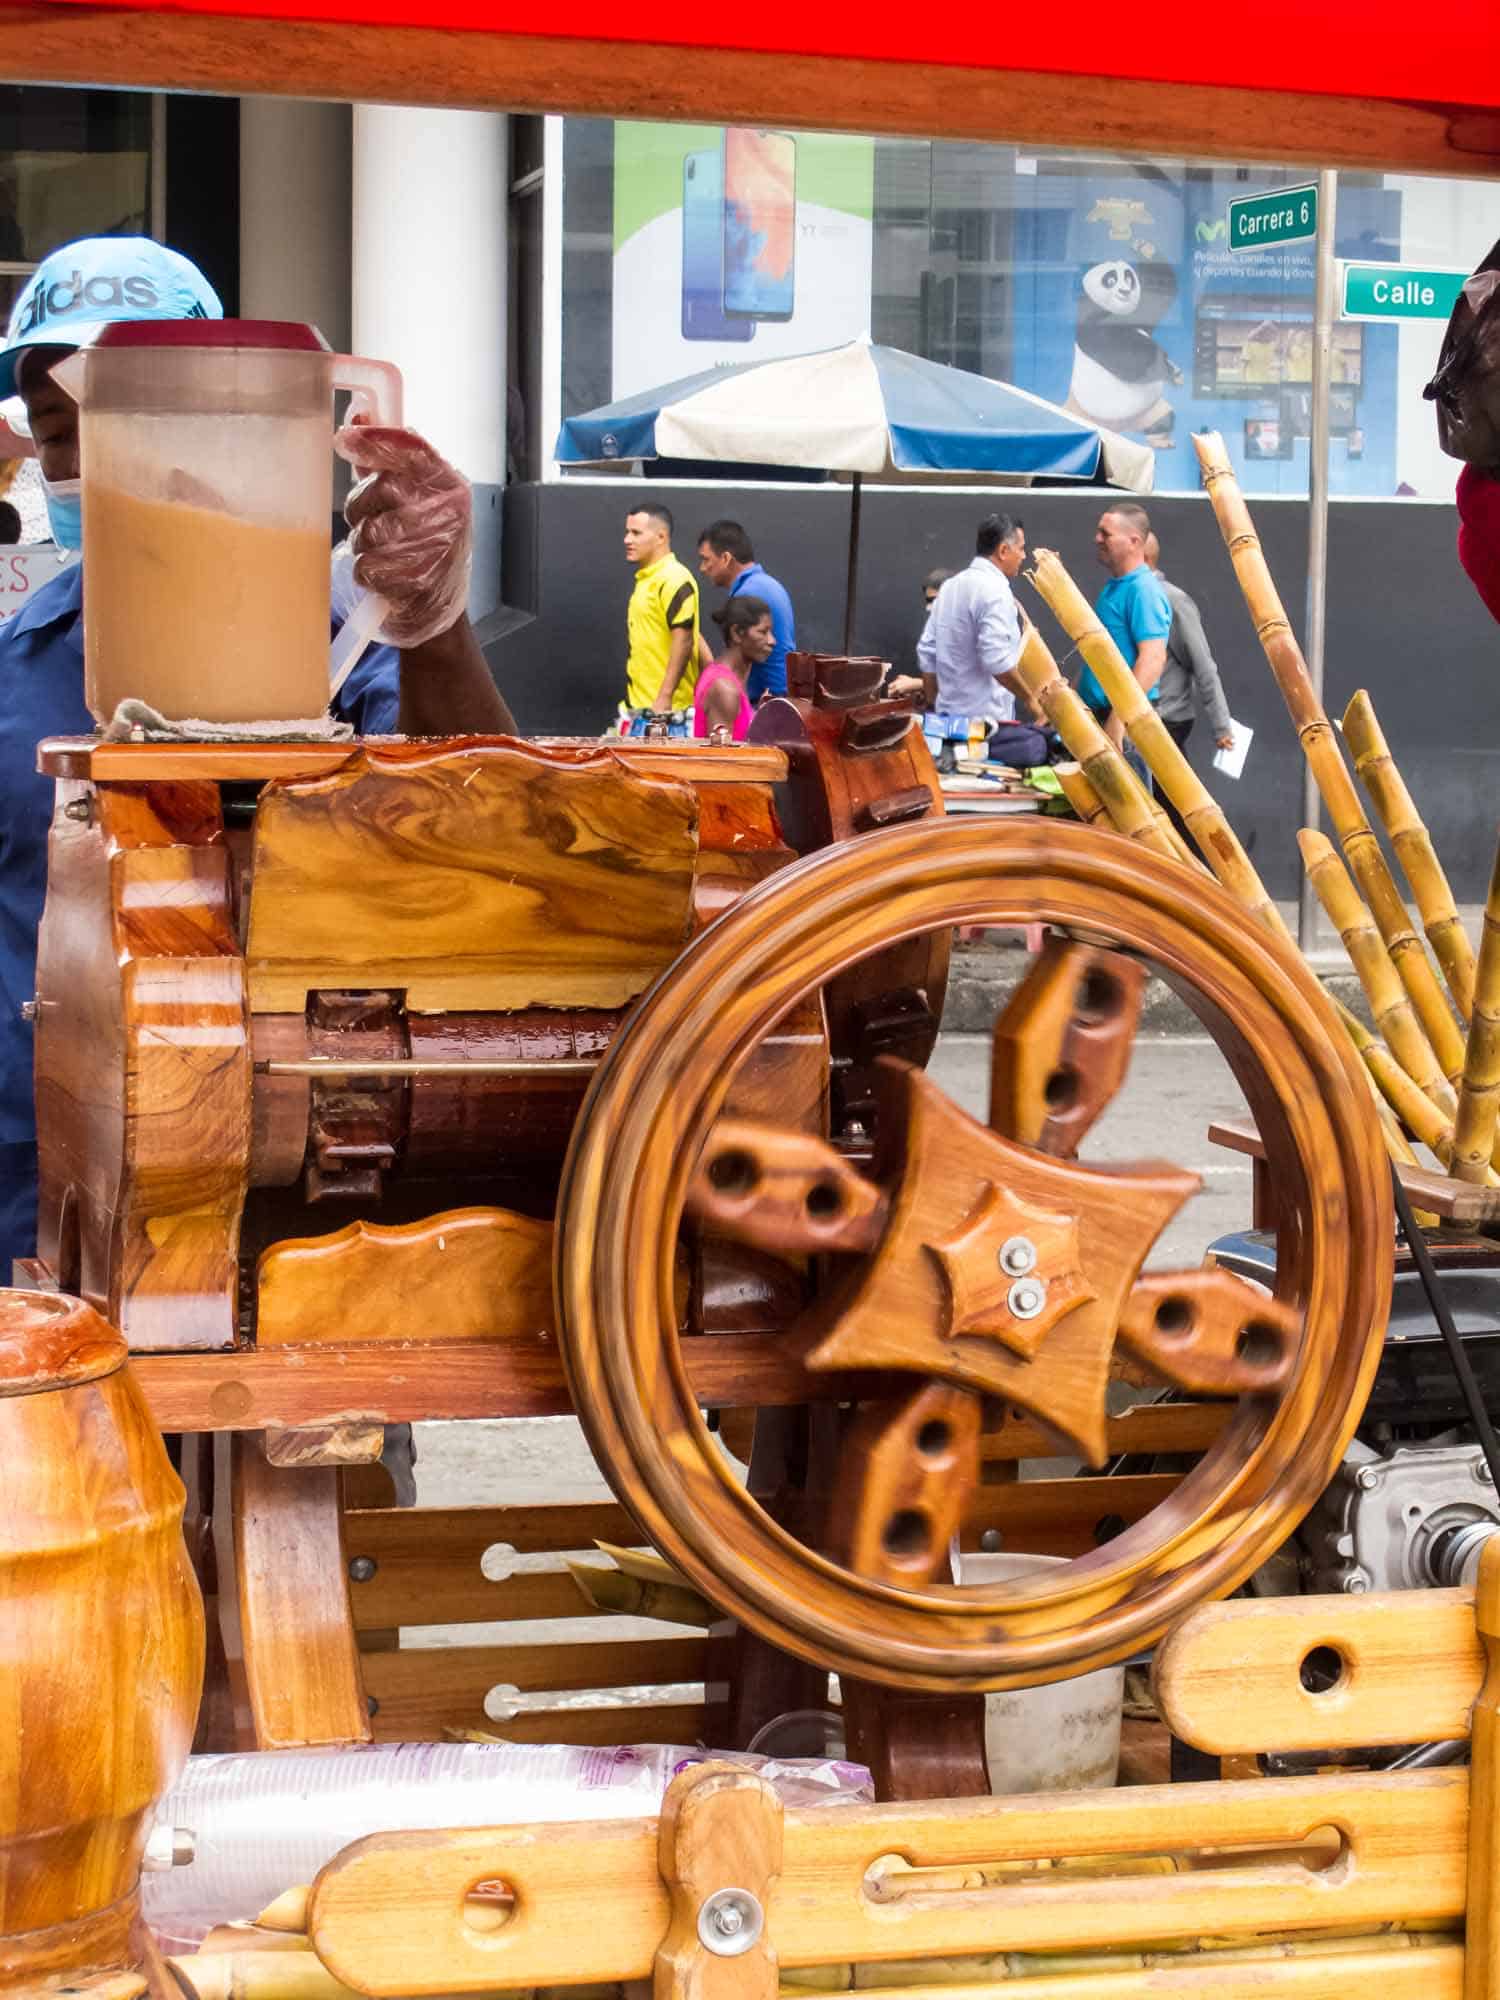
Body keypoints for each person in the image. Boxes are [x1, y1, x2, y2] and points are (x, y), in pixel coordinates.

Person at [0, 235, 515, 1281]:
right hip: (37, 1190)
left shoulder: (338, 643)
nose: (92, 459)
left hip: (304, 1165)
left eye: (129, 417)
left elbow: (480, 832)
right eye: (61, 430)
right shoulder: (16, 666)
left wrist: (435, 620)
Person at [916, 514, 1047, 768]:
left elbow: (927, 652)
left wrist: (934, 705)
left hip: (947, 725)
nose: (1023, 555)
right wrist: (1031, 700)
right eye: (1021, 549)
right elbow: (996, 660)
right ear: (1003, 550)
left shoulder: (951, 587)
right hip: (983, 728)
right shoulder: (995, 591)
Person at [1143, 532, 1235, 854]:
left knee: (1177, 821)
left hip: (1164, 721)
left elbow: (1203, 665)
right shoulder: (1124, 597)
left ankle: (1205, 885)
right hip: (1138, 724)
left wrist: (1222, 726)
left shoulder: (1171, 600)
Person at [1082, 503, 1172, 745]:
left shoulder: (1143, 590)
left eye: (1106, 534)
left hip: (1126, 726)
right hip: (1101, 717)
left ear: (1133, 542)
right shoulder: (1115, 587)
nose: (1097, 538)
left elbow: (1153, 659)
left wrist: (1118, 720)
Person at [695, 519, 795, 700]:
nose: (702, 568)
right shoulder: (766, 585)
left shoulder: (750, 593)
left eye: (706, 559)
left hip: (764, 706)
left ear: (725, 558)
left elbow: (774, 655)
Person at [621, 499, 699, 730]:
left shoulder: (674, 578)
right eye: (627, 532)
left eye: (636, 533)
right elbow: (694, 634)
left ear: (661, 537)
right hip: (641, 713)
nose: (627, 540)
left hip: (665, 718)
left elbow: (684, 639)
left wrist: (664, 697)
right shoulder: (647, 579)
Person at [693, 595, 771, 741]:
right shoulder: (724, 689)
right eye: (762, 632)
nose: (772, 641)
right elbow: (721, 761)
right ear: (736, 633)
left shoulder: (729, 680)